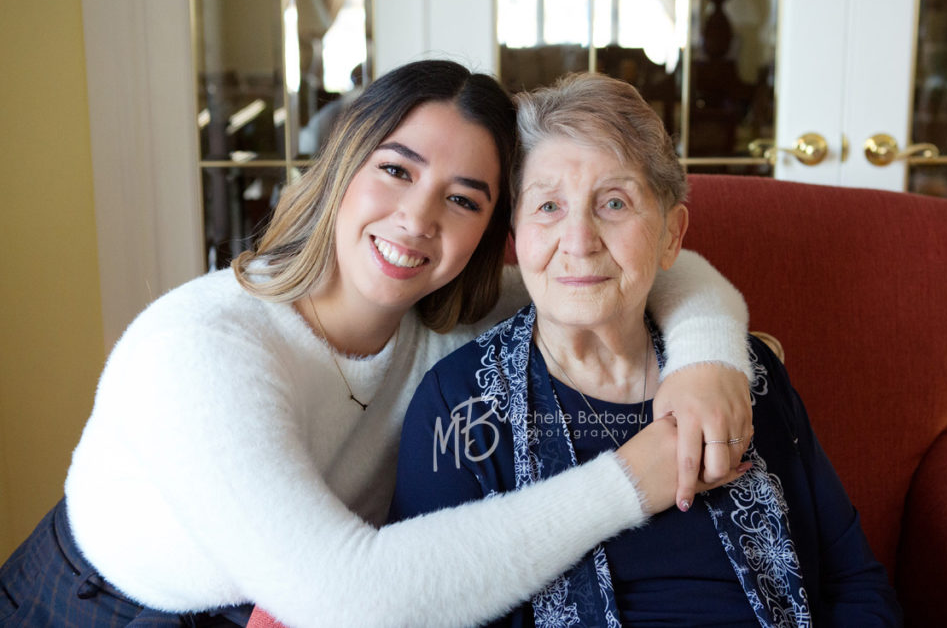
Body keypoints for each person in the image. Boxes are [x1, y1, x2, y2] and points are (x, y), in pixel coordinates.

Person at [0, 60, 755, 628]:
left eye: (463, 198)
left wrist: (708, 362)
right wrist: (629, 480)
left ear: (497, 236)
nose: (417, 219)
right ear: (339, 168)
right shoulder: (198, 349)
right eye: (396, 170)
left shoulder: (444, 314)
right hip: (95, 605)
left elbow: (657, 266)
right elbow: (346, 595)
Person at [389, 72, 902, 626]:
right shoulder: (461, 403)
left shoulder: (745, 377)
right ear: (516, 232)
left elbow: (853, 580)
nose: (579, 241)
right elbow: (424, 606)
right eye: (548, 207)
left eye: (614, 202)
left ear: (672, 237)